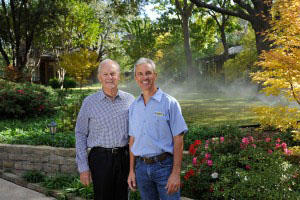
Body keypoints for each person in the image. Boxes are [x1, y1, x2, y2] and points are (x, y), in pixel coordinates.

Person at [127, 58, 188, 200]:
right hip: (141, 168)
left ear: (155, 75)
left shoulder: (169, 103)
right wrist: (132, 170)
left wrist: (175, 173)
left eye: (148, 73)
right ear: (136, 78)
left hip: (165, 168)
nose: (144, 77)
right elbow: (132, 140)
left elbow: (178, 139)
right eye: (140, 74)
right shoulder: (134, 106)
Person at [75, 59, 135, 200]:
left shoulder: (130, 100)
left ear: (119, 76)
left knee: (123, 197)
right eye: (106, 74)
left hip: (123, 157)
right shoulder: (89, 102)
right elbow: (80, 134)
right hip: (100, 159)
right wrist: (83, 167)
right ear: (99, 77)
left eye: (113, 73)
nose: (110, 77)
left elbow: (136, 133)